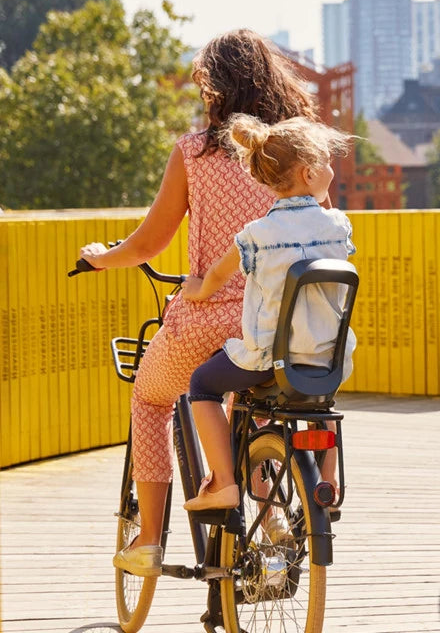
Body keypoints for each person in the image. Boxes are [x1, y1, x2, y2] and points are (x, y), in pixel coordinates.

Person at [79, 29, 327, 577]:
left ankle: (146, 539)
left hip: (207, 317)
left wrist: (100, 257)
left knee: (150, 397)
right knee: (251, 397)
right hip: (284, 323)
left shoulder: (194, 153)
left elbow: (148, 244)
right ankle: (269, 505)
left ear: (214, 89)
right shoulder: (300, 155)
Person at [181, 113, 356, 512]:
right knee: (320, 402)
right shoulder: (338, 226)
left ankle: (223, 483)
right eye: (327, 162)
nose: (332, 167)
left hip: (268, 359)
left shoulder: (256, 235)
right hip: (326, 359)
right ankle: (326, 484)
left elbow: (215, 278)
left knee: (203, 385)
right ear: (310, 173)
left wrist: (197, 290)